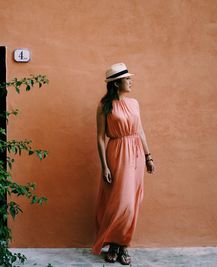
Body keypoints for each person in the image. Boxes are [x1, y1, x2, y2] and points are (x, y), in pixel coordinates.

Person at [92, 62, 155, 265]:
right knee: (120, 202)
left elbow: (140, 131)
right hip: (117, 153)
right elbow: (100, 137)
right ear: (117, 83)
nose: (131, 81)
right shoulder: (104, 106)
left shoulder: (134, 103)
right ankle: (113, 244)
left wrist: (148, 157)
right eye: (127, 79)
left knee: (133, 202)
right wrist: (104, 166)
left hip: (136, 154)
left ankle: (123, 245)